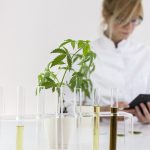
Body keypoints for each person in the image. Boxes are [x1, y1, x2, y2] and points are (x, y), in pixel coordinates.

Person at [91, 0, 150, 123]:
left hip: (141, 136)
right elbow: (69, 109)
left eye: (133, 20)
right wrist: (103, 112)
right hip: (99, 136)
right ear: (106, 15)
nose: (128, 27)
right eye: (122, 19)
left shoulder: (145, 54)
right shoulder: (84, 55)